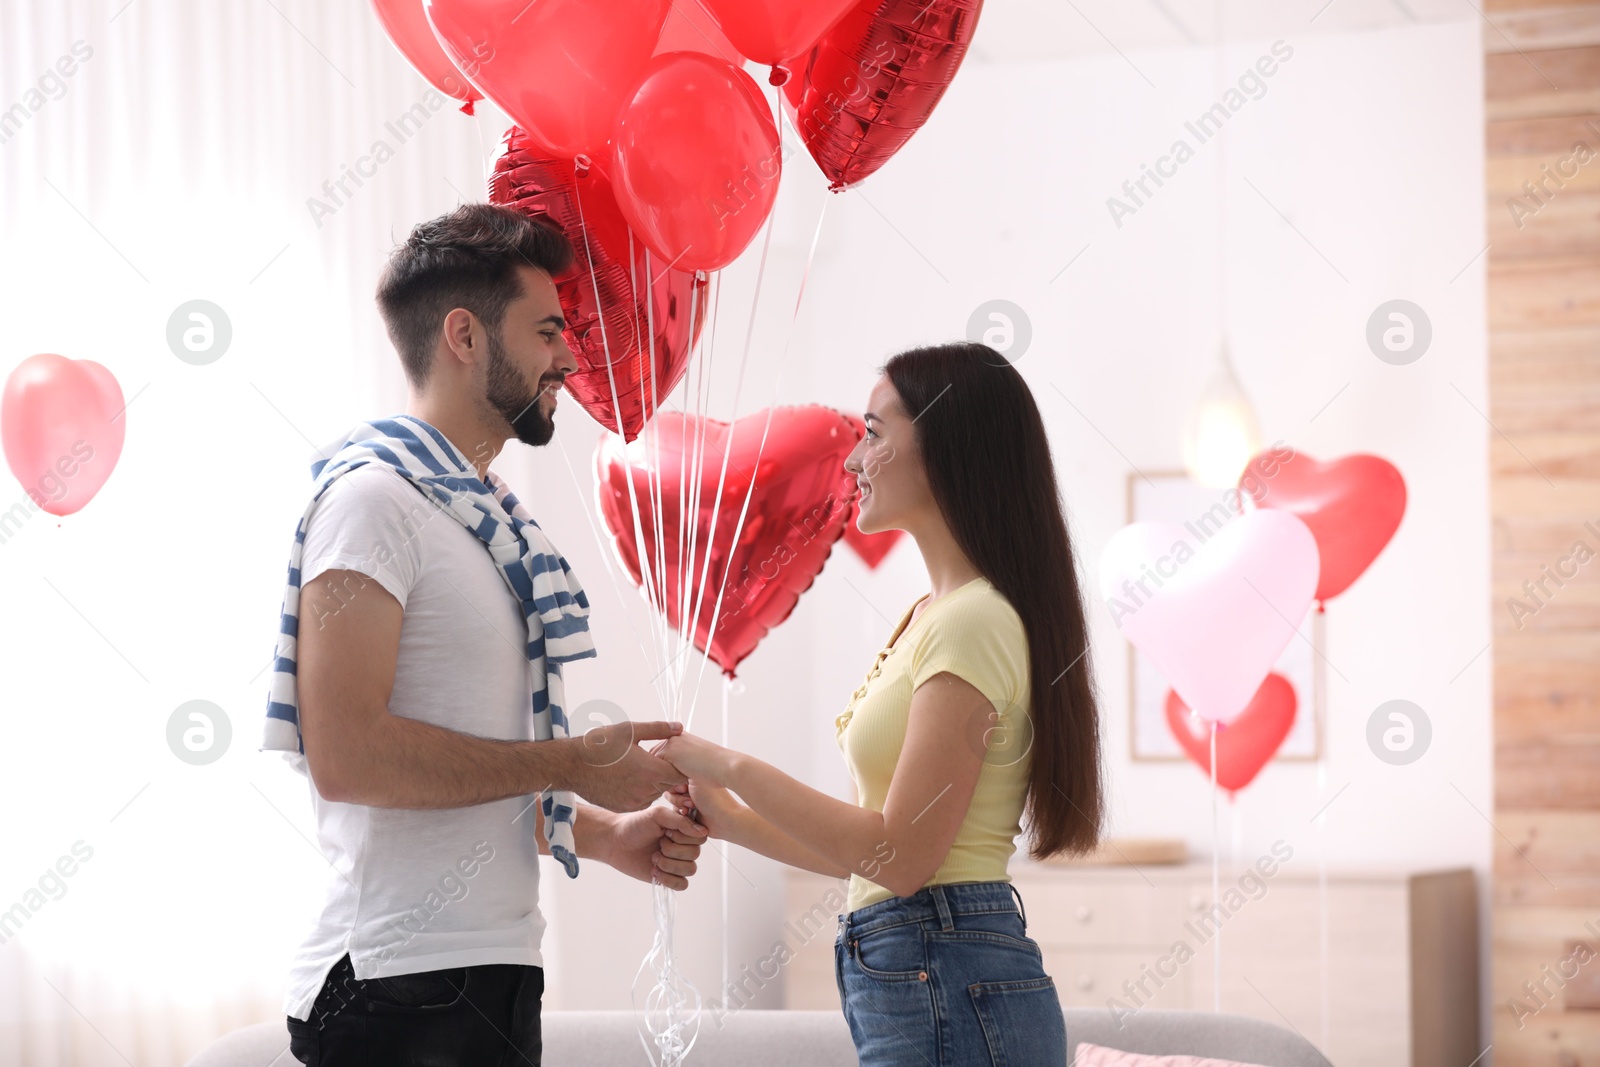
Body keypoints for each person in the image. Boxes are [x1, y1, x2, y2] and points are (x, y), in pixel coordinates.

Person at [261, 203, 706, 1066]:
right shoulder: (370, 504)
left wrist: (606, 836)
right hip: (395, 986)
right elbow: (351, 757)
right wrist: (574, 763)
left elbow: (465, 758)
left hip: (487, 975)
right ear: (464, 336)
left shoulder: (485, 523)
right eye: (546, 331)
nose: (568, 358)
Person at [656, 341, 1105, 1066]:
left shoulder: (973, 620)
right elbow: (873, 855)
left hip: (944, 962)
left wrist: (728, 763)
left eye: (873, 431)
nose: (853, 459)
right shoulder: (934, 614)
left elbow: (900, 857)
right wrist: (730, 820)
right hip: (928, 960)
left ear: (946, 447)